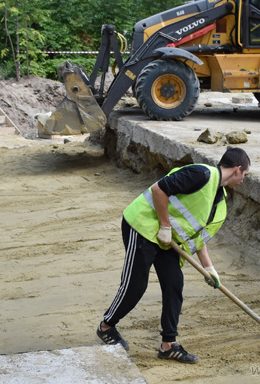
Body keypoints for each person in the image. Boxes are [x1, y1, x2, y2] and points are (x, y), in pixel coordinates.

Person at [96, 147, 251, 363]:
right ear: (237, 169)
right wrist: (165, 226)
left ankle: (168, 344)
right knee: (136, 284)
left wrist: (209, 268)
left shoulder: (220, 201)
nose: (244, 180)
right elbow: (160, 190)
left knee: (174, 282)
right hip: (142, 226)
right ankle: (106, 326)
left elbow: (198, 237)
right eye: (245, 174)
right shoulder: (201, 174)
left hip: (166, 240)